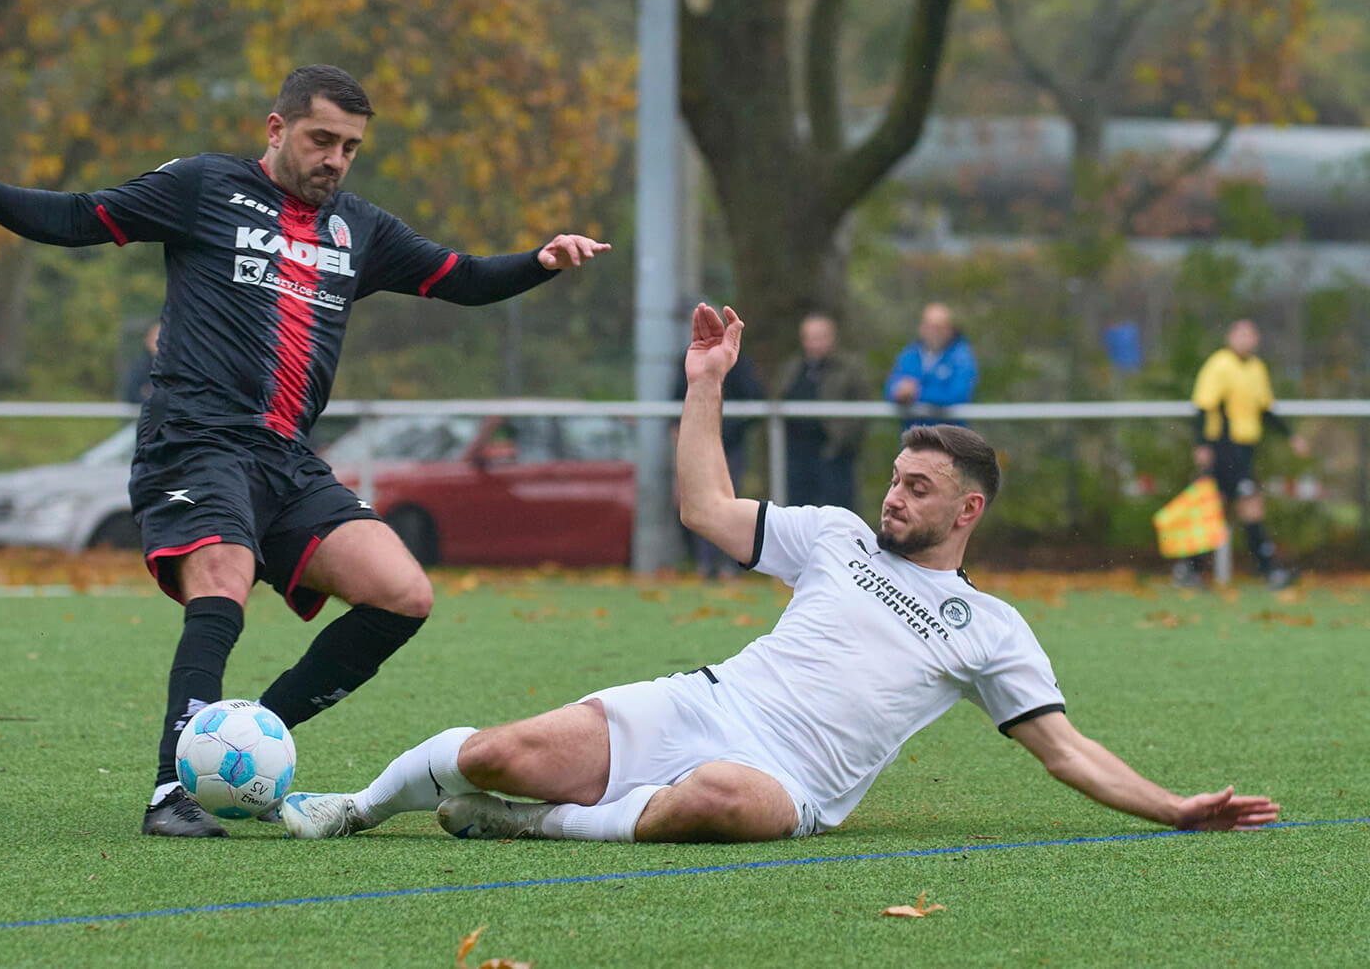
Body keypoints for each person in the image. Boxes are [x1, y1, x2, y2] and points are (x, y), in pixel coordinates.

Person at [0, 64, 610, 838]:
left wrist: (540, 263)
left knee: (402, 592)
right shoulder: (204, 187)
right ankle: (170, 789)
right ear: (276, 130)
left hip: (286, 457)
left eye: (349, 146)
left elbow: (462, 278)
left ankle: (245, 739)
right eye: (320, 140)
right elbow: (78, 218)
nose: (335, 159)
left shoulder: (360, 229)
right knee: (224, 573)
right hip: (194, 437)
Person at [280, 303, 1278, 845]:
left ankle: (535, 829)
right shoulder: (836, 536)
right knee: (497, 750)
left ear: (965, 512)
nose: (894, 496)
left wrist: (1173, 804)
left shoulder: (991, 627)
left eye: (918, 488)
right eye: (895, 477)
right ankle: (359, 808)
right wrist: (704, 386)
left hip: (788, 779)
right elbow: (705, 510)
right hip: (700, 702)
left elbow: (1067, 751)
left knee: (719, 800)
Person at [1173, 319, 1309, 590]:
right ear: (1230, 337)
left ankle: (1190, 569)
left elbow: (1265, 410)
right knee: (1246, 505)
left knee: (1221, 505)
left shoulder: (1257, 368)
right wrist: (1202, 445)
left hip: (1245, 448)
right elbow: (1203, 407)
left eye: (1251, 335)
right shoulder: (1219, 365)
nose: (1247, 340)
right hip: (1224, 447)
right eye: (1242, 334)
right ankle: (1267, 570)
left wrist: (1291, 436)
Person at [671, 334, 763, 579]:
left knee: (728, 504)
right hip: (697, 447)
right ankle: (705, 563)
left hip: (729, 446)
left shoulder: (740, 362)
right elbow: (678, 400)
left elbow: (754, 401)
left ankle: (730, 566)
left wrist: (729, 430)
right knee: (694, 505)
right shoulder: (689, 359)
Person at [776, 312, 867, 509]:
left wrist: (843, 441)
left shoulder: (848, 369)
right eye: (809, 337)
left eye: (819, 337)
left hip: (833, 454)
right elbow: (779, 398)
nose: (814, 343)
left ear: (832, 337)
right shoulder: (794, 368)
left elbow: (862, 408)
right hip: (797, 454)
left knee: (838, 512)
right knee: (796, 514)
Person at [884, 302, 977, 430]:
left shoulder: (961, 357)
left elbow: (957, 395)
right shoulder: (910, 354)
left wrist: (916, 394)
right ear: (922, 327)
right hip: (914, 437)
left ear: (949, 329)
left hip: (950, 439)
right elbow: (891, 387)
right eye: (929, 326)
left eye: (939, 327)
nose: (933, 332)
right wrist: (899, 392)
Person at [119, 321, 160, 404]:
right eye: (155, 335)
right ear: (147, 340)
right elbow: (131, 395)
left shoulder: (181, 367)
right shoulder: (139, 366)